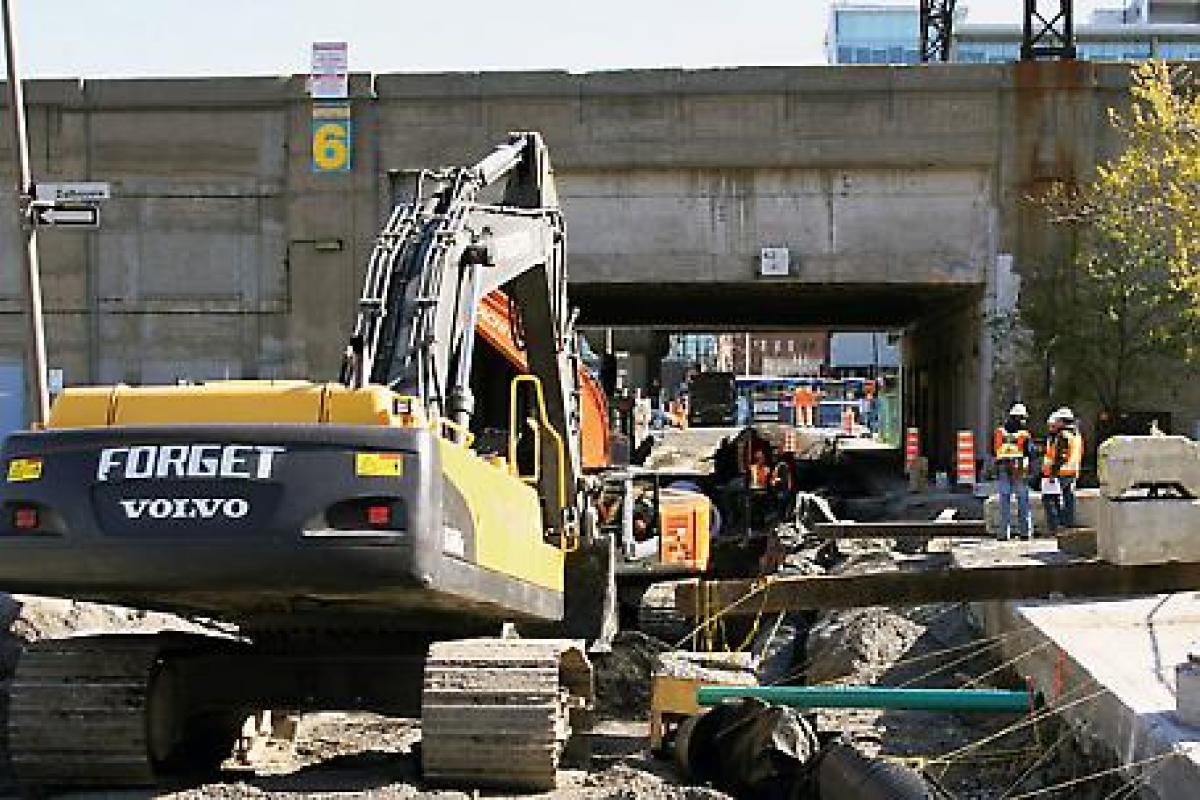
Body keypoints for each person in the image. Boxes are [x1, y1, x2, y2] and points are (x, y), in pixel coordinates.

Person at [992, 403, 1035, 540]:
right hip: (1019, 468)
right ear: (1020, 418)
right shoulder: (1024, 434)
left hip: (1002, 467)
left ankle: (1004, 533)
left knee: (1004, 501)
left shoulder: (999, 432)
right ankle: (1025, 532)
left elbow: (993, 449)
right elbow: (1031, 452)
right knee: (1023, 500)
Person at [1042, 407, 1083, 532]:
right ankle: (1068, 525)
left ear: (1063, 421)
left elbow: (1061, 456)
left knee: (1050, 499)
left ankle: (1056, 528)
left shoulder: (1063, 435)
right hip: (1073, 471)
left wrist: (1052, 473)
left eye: (1058, 420)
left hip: (1061, 472)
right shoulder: (1076, 435)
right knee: (1068, 500)